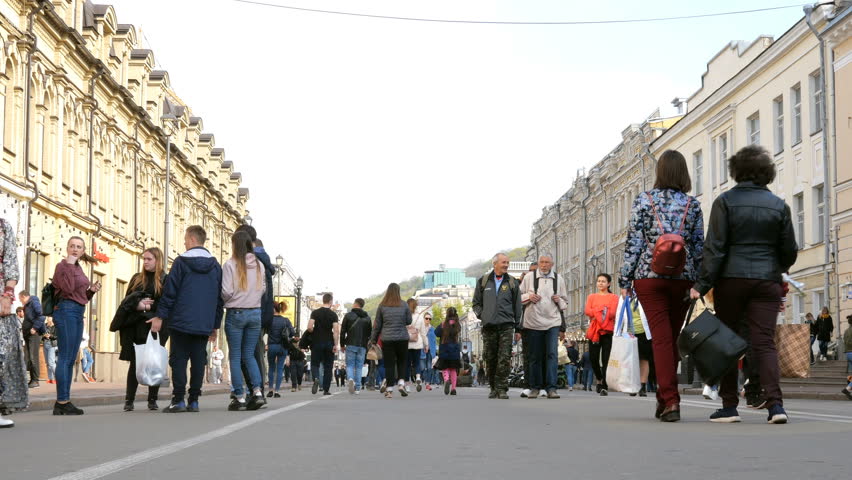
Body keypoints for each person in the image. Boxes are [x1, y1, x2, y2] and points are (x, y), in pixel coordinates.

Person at [691, 145, 797, 424]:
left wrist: (701, 285)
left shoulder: (725, 202)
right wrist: (775, 269)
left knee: (729, 341)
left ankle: (728, 407)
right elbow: (790, 251)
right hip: (767, 281)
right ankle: (776, 407)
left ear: (736, 172)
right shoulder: (779, 205)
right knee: (764, 343)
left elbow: (714, 248)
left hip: (731, 281)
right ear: (767, 173)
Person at [620, 149, 704, 422]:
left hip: (648, 276)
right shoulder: (693, 205)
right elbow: (698, 247)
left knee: (661, 338)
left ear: (660, 172)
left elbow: (633, 242)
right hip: (683, 278)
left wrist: (624, 279)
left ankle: (670, 401)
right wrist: (701, 282)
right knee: (671, 338)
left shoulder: (644, 200)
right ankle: (665, 399)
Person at [149, 225, 224, 413]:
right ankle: (194, 400)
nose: (184, 242)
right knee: (199, 360)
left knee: (179, 360)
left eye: (185, 238)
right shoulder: (215, 266)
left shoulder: (181, 262)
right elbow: (218, 298)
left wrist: (160, 316)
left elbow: (170, 292)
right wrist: (215, 325)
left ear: (191, 239)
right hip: (203, 323)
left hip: (180, 321)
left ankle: (178, 399)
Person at [109, 247, 168, 412]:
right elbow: (127, 301)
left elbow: (167, 302)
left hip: (156, 326)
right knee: (136, 363)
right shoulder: (137, 278)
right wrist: (138, 305)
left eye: (149, 259)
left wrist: (155, 311)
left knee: (154, 362)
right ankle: (129, 400)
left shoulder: (164, 279)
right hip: (136, 326)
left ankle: (152, 399)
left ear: (158, 260)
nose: (146, 262)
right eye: (144, 259)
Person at [51, 236, 102, 415]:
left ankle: (64, 400)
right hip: (65, 311)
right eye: (72, 246)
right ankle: (62, 402)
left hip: (77, 311)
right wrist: (70, 264)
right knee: (65, 357)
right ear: (67, 248)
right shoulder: (63, 266)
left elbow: (80, 296)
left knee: (71, 358)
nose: (75, 249)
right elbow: (67, 289)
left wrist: (91, 291)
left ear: (83, 251)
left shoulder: (78, 268)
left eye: (78, 247)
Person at [222, 231, 267, 411]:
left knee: (235, 356)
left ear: (235, 245)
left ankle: (239, 396)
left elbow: (226, 291)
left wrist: (232, 299)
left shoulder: (231, 264)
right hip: (255, 313)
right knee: (249, 355)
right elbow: (263, 288)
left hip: (236, 313)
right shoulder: (258, 265)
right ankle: (257, 392)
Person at [472, 253, 522, 400]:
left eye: (507, 262)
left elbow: (517, 306)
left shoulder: (512, 282)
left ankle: (502, 388)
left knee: (504, 357)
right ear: (495, 264)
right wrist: (483, 315)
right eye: (503, 262)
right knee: (491, 357)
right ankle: (493, 387)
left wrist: (518, 328)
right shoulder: (484, 281)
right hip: (489, 326)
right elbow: (475, 303)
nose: (506, 265)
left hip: (506, 326)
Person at [520, 254, 568, 399]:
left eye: (547, 262)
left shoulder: (558, 279)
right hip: (533, 322)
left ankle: (551, 388)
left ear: (552, 264)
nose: (544, 265)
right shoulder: (529, 277)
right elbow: (518, 297)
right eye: (542, 262)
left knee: (552, 355)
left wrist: (558, 300)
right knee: (535, 356)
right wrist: (529, 297)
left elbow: (565, 303)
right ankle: (535, 387)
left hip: (552, 322)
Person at [235, 226, 274, 398]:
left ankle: (254, 390)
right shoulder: (263, 261)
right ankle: (256, 389)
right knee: (254, 351)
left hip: (249, 310)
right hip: (261, 313)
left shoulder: (251, 261)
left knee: (249, 352)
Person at [371, 283, 413, 399]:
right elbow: (409, 321)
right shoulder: (404, 305)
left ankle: (389, 390)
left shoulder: (382, 306)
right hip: (402, 338)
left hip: (387, 339)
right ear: (398, 292)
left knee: (389, 364)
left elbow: (377, 325)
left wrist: (373, 339)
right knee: (402, 361)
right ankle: (400, 383)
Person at [0, 217, 23, 428]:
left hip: (0, 298)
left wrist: (7, 295)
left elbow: (11, 263)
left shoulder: (3, 227)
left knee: (2, 353)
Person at [584, 274, 618, 397]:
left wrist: (596, 312)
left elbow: (612, 313)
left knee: (606, 359)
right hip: (594, 331)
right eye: (598, 281)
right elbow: (587, 311)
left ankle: (604, 384)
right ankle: (598, 378)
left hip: (608, 332)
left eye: (603, 281)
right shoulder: (591, 297)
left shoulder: (614, 297)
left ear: (608, 283)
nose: (600, 283)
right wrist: (603, 310)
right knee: (593, 358)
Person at [308, 293, 340, 396]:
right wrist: (335, 344)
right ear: (331, 301)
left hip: (316, 341)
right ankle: (326, 389)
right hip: (329, 342)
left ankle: (316, 378)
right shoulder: (333, 315)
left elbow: (309, 327)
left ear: (323, 300)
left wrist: (314, 331)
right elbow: (336, 331)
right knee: (328, 366)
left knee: (315, 363)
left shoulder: (315, 313)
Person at [341, 298, 372, 395]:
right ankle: (358, 388)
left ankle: (350, 379)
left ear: (355, 304)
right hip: (362, 345)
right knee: (359, 367)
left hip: (350, 344)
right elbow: (370, 334)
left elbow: (343, 332)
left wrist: (342, 344)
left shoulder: (348, 316)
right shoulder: (367, 317)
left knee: (350, 365)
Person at [264, 301, 295, 398]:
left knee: (271, 368)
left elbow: (264, 331)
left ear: (273, 309)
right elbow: (292, 333)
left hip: (272, 346)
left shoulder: (269, 320)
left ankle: (270, 390)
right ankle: (277, 391)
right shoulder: (286, 320)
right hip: (283, 347)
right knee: (280, 368)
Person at [18, 291, 46, 388]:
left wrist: (34, 328)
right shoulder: (28, 305)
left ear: (24, 296)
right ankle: (32, 380)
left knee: (33, 358)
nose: (21, 302)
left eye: (21, 299)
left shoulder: (34, 302)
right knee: (29, 358)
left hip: (34, 335)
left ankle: (36, 380)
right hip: (28, 335)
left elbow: (41, 315)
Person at [435, 307, 462, 396]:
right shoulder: (457, 324)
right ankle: (453, 389)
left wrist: (441, 325)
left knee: (445, 368)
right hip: (454, 350)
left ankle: (446, 380)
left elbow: (437, 333)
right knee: (453, 369)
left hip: (444, 349)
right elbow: (458, 331)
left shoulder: (444, 324)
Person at [628, 298, 652, 398]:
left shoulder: (645, 295)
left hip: (643, 332)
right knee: (631, 360)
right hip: (629, 333)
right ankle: (633, 385)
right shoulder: (625, 296)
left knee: (644, 359)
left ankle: (642, 387)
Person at [405, 298, 428, 393]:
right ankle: (418, 377)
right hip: (417, 343)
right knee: (417, 362)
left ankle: (407, 386)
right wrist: (426, 344)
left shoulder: (404, 316)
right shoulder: (420, 317)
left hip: (406, 344)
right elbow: (423, 333)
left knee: (407, 365)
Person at [420, 313, 437, 390]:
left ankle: (427, 383)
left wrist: (434, 353)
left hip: (430, 352)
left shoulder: (432, 329)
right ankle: (422, 380)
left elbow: (434, 341)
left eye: (429, 319)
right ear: (423, 319)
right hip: (421, 350)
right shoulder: (420, 328)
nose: (428, 320)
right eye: (426, 318)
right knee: (423, 368)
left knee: (429, 368)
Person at [42, 317, 57, 384]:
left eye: (49, 319)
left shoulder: (55, 327)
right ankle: (51, 378)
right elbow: (41, 334)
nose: (48, 320)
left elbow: (56, 336)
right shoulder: (44, 326)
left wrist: (50, 336)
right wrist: (44, 335)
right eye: (47, 319)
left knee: (51, 362)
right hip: (45, 344)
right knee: (47, 363)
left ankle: (57, 377)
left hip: (51, 345)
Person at [842, 315, 852, 400]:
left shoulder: (846, 331)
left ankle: (849, 384)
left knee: (851, 373)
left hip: (848, 354)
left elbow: (844, 342)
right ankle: (848, 388)